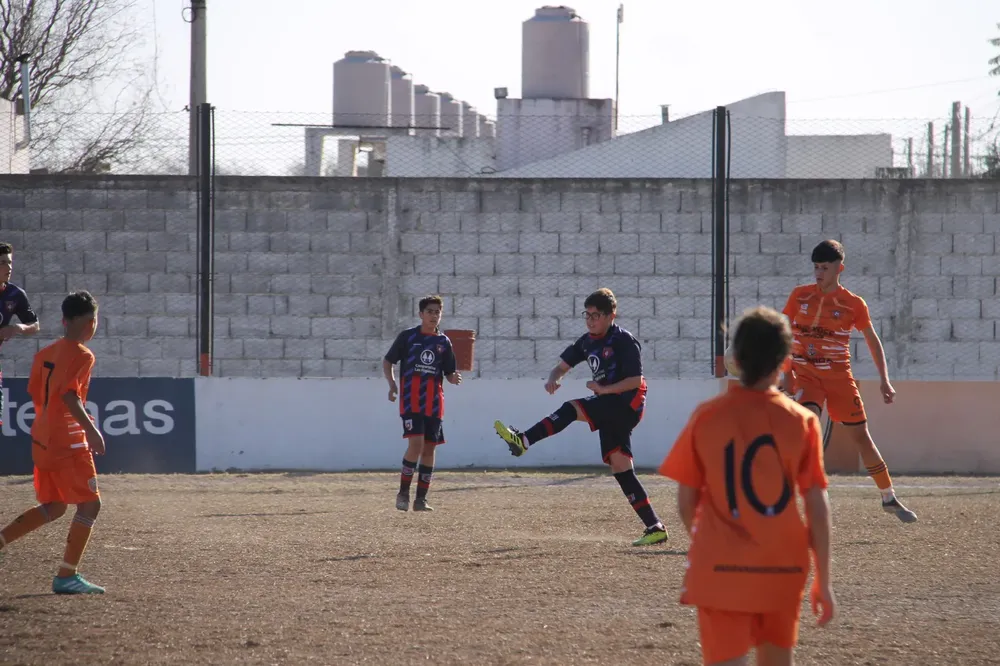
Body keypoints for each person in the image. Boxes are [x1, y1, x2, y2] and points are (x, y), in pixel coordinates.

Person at [659, 305, 835, 666]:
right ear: (785, 361)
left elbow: (686, 501)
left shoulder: (707, 416)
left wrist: (712, 544)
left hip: (720, 572)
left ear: (735, 358)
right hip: (782, 569)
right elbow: (817, 506)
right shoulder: (803, 421)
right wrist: (824, 579)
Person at [493, 287, 668, 547]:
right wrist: (554, 378)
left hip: (625, 403)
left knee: (570, 409)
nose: (590, 320)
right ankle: (655, 527)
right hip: (609, 403)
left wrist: (604, 389)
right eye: (587, 315)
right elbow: (561, 366)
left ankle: (524, 440)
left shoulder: (623, 341)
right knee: (621, 468)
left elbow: (635, 381)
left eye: (596, 315)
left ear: (611, 315)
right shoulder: (586, 342)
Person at [781, 239, 916, 523]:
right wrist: (786, 372)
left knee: (861, 439)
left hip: (840, 379)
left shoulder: (853, 304)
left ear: (839, 268)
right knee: (807, 426)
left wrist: (884, 380)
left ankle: (888, 497)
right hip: (807, 377)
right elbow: (781, 333)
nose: (818, 272)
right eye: (816, 267)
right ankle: (795, 501)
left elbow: (873, 341)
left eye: (825, 267)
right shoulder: (799, 296)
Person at [0, 290, 107, 594]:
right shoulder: (83, 355)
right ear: (81, 322)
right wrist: (89, 430)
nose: (90, 327)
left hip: (42, 436)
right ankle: (66, 576)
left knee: (55, 506)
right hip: (66, 441)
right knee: (90, 505)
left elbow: (37, 394)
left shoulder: (44, 353)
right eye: (89, 321)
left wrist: (51, 422)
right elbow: (69, 395)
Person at [383, 294, 462, 512]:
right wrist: (392, 385)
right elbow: (388, 361)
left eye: (437, 312)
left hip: (434, 402)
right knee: (415, 445)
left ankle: (421, 500)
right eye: (430, 311)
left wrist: (453, 378)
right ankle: (403, 494)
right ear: (421, 314)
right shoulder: (408, 337)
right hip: (411, 401)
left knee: (429, 449)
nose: (434, 315)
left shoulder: (443, 342)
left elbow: (448, 372)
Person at [0, 242, 41, 426]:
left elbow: (34, 324)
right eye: (2, 263)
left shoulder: (15, 294)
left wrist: (17, 328)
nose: (8, 267)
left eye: (9, 262)